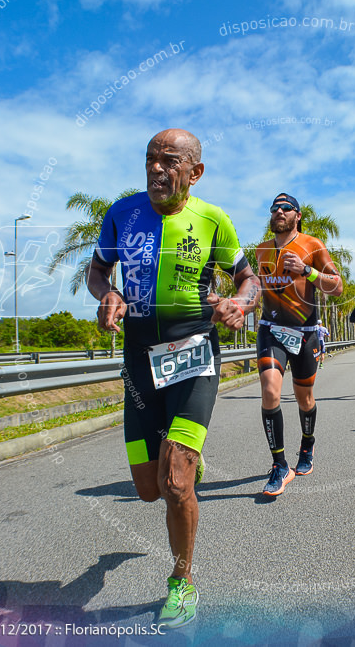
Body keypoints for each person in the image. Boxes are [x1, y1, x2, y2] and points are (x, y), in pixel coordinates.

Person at [87, 128, 259, 628]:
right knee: (147, 488)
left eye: (169, 161)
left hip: (193, 353)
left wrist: (240, 303)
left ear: (194, 172)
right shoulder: (122, 213)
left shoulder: (213, 219)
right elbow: (98, 271)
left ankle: (182, 583)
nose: (157, 169)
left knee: (175, 482)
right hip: (140, 359)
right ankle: (184, 466)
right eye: (150, 160)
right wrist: (108, 294)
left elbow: (248, 280)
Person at [255, 193, 344, 496]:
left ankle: (307, 444)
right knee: (270, 389)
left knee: (304, 399)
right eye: (274, 209)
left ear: (298, 215)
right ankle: (280, 465)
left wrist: (307, 270)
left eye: (285, 208)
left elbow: (337, 286)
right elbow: (259, 290)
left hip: (305, 332)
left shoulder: (312, 245)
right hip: (271, 329)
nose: (278, 212)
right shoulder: (262, 250)